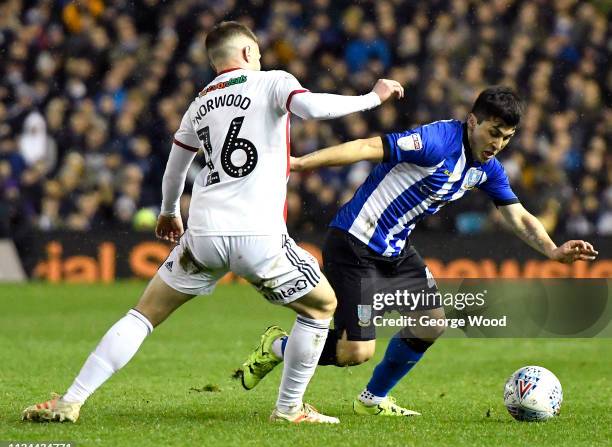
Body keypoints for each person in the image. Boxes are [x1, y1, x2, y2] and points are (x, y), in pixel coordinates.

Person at [22, 21, 404, 424]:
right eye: (256, 51)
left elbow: (175, 169)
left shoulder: (199, 104)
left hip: (202, 234)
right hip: (258, 237)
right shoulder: (272, 82)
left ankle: (72, 398)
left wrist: (169, 211)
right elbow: (311, 108)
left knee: (143, 315)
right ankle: (289, 408)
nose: (260, 57)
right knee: (321, 307)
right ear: (246, 53)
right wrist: (371, 98)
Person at [238, 86, 598, 416]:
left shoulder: (487, 169)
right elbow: (367, 147)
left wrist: (551, 249)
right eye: (492, 133)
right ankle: (278, 347)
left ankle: (373, 400)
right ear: (473, 121)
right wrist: (299, 164)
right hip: (355, 246)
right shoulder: (437, 140)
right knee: (355, 353)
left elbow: (516, 215)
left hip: (397, 251)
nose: (497, 144)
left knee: (431, 323)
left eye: (506, 138)